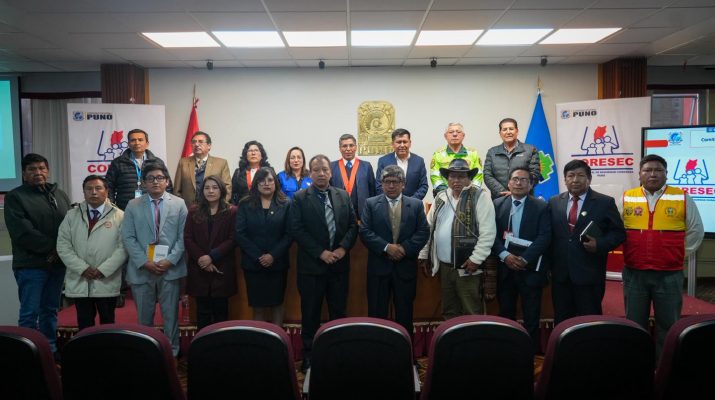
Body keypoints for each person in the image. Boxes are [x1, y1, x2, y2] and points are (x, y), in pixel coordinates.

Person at [622, 154, 704, 357]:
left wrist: (675, 254)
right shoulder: (627, 197)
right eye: (647, 170)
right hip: (635, 273)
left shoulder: (681, 197)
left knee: (668, 324)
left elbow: (696, 231)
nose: (653, 174)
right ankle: (637, 364)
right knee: (634, 323)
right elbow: (617, 230)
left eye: (658, 170)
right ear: (639, 174)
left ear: (666, 174)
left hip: (669, 274)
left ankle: (664, 365)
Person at [291, 154, 358, 372]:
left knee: (338, 312)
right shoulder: (300, 198)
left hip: (338, 266)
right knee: (310, 314)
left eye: (325, 170)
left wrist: (342, 248)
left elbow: (353, 226)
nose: (321, 173)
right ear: (310, 173)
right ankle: (309, 355)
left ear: (331, 172)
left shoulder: (342, 195)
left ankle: (339, 353)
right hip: (312, 268)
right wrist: (321, 253)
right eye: (316, 170)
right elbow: (297, 229)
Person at [4, 153, 71, 359]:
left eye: (41, 168)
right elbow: (23, 232)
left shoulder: (59, 194)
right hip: (31, 265)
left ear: (47, 171)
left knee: (50, 310)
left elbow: (69, 226)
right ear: (24, 174)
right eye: (32, 169)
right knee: (29, 313)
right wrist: (53, 249)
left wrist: (59, 251)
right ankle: (27, 355)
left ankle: (50, 349)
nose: (38, 173)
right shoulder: (15, 197)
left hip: (56, 264)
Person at [121, 162, 188, 357]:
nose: (155, 182)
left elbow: (184, 236)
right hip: (142, 268)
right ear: (144, 183)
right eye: (150, 178)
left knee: (171, 315)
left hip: (170, 268)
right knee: (144, 317)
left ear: (167, 181)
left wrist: (170, 260)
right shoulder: (133, 205)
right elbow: (128, 237)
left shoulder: (179, 204)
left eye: (159, 178)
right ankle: (147, 353)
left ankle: (172, 352)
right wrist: (144, 262)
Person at [548, 160, 625, 324]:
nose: (575, 180)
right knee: (562, 321)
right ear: (565, 179)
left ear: (589, 179)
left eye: (580, 175)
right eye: (571, 176)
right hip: (561, 276)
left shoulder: (605, 202)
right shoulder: (554, 202)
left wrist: (600, 244)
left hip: (589, 274)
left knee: (590, 322)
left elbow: (618, 233)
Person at [418, 159, 496, 319]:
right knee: (449, 311)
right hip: (445, 267)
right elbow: (428, 228)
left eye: (461, 176)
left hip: (468, 266)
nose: (456, 180)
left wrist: (476, 259)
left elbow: (488, 233)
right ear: (447, 178)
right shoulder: (441, 197)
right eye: (452, 176)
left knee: (471, 310)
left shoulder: (480, 197)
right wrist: (424, 254)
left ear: (469, 178)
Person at [359, 165, 429, 335]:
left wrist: (404, 249)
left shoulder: (416, 205)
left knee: (405, 314)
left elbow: (423, 231)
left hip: (405, 268)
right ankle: (378, 350)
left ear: (403, 184)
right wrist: (386, 248)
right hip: (379, 268)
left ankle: (405, 350)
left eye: (395, 182)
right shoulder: (370, 204)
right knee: (377, 314)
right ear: (381, 184)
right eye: (387, 182)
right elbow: (365, 231)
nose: (391, 185)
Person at [57, 175, 127, 331]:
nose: (93, 192)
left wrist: (103, 270)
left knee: (108, 325)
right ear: (83, 192)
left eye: (98, 188)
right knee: (84, 325)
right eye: (89, 189)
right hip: (81, 281)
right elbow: (63, 245)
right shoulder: (71, 215)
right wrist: (82, 268)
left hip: (106, 280)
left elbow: (123, 248)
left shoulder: (120, 216)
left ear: (106, 191)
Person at [491, 167, 550, 351]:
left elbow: (545, 237)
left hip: (530, 270)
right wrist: (505, 256)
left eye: (524, 180)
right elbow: (491, 235)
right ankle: (507, 351)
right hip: (505, 268)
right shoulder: (497, 204)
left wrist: (525, 259)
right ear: (508, 183)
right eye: (515, 179)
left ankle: (529, 353)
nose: (518, 183)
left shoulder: (541, 206)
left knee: (531, 315)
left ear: (531, 185)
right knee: (506, 313)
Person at [236, 168, 292, 326]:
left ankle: (278, 338)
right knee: (258, 306)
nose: (266, 184)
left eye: (270, 180)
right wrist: (259, 256)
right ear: (256, 183)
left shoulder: (286, 203)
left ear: (276, 183)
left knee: (277, 304)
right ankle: (259, 338)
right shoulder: (245, 204)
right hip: (254, 264)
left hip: (277, 263)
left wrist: (272, 255)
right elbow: (240, 233)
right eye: (262, 180)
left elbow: (289, 234)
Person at [184, 175, 237, 331]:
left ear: (221, 190)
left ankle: (221, 345)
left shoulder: (232, 211)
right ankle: (202, 344)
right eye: (207, 188)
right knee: (202, 313)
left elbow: (233, 239)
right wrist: (202, 258)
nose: (211, 191)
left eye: (214, 187)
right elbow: (187, 238)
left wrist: (212, 257)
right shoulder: (194, 211)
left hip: (221, 267)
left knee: (221, 313)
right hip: (199, 268)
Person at [105, 128, 172, 210]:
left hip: (152, 209)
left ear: (147, 143)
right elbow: (108, 187)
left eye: (140, 140)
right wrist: (112, 207)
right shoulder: (117, 162)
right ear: (128, 143)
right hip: (125, 209)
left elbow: (168, 186)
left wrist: (165, 206)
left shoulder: (157, 162)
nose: (137, 143)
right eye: (133, 140)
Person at [483, 118, 541, 199]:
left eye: (511, 129)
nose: (508, 132)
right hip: (499, 200)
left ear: (517, 131)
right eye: (504, 129)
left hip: (524, 199)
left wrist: (516, 191)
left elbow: (535, 174)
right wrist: (503, 192)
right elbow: (487, 175)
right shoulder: (492, 152)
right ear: (500, 133)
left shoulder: (531, 150)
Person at [173, 131, 232, 205]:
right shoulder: (183, 162)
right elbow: (177, 190)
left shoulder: (221, 163)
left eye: (200, 142)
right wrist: (182, 207)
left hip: (213, 207)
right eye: (194, 142)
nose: (196, 144)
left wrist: (219, 206)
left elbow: (227, 188)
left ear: (209, 146)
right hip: (188, 208)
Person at [330, 134, 376, 219]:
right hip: (339, 214)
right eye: (344, 146)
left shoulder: (366, 166)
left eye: (351, 145)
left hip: (362, 214)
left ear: (356, 147)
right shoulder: (332, 167)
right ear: (340, 148)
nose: (348, 149)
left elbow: (372, 191)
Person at [430, 122, 483, 195]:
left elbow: (478, 175)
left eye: (458, 132)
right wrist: (448, 193)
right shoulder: (438, 154)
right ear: (445, 136)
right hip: (444, 195)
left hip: (469, 195)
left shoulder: (473, 153)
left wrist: (471, 192)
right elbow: (435, 176)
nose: (455, 134)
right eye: (451, 132)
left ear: (463, 136)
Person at [375, 128, 429, 200]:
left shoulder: (419, 161)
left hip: (413, 204)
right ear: (393, 144)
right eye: (399, 142)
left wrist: (411, 202)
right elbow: (379, 185)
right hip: (389, 204)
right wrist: (391, 201)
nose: (402, 145)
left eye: (405, 142)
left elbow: (423, 186)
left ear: (410, 143)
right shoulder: (383, 161)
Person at [231, 140, 271, 205]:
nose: (253, 153)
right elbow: (233, 193)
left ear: (262, 155)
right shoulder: (238, 172)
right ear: (245, 155)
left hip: (264, 207)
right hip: (243, 208)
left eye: (256, 150)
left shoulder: (269, 171)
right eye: (250, 151)